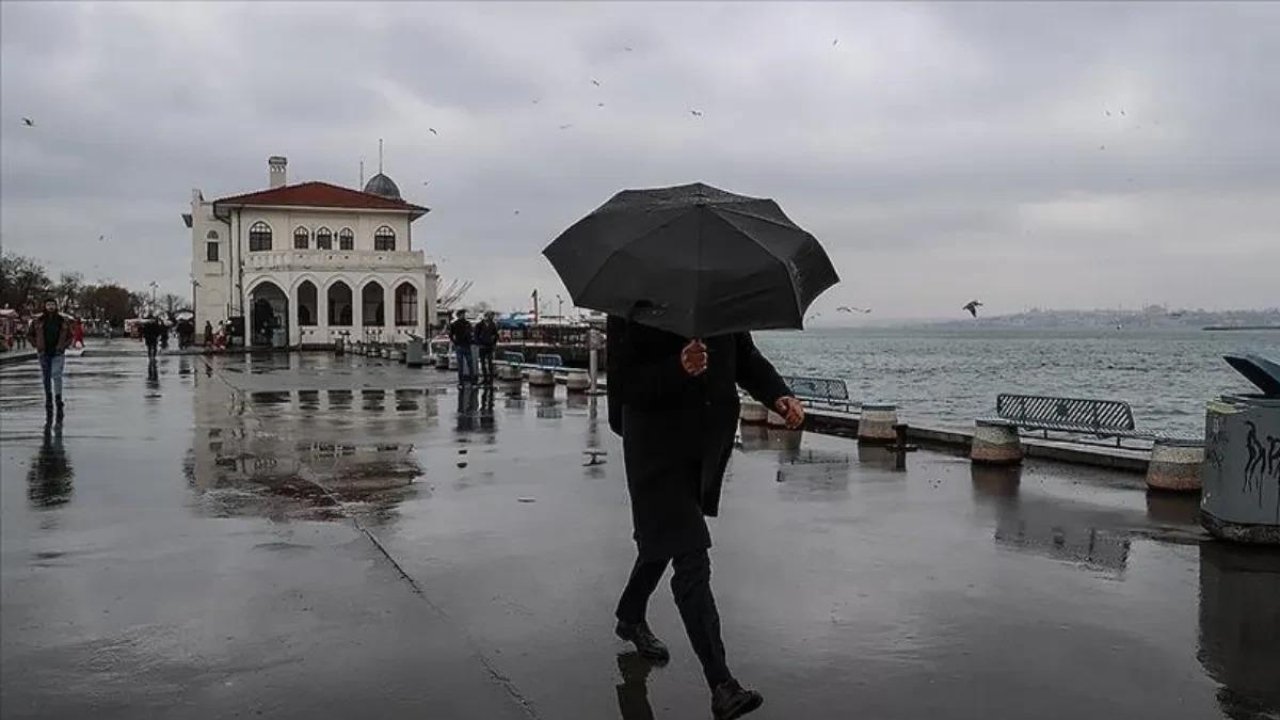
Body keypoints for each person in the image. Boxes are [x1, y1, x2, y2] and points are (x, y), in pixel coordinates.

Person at [606, 310, 804, 720]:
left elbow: (744, 355)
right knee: (691, 554)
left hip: (701, 451)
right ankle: (722, 685)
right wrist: (678, 367)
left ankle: (629, 616)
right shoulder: (632, 301)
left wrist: (777, 395)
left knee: (664, 541)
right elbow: (625, 386)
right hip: (655, 450)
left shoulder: (719, 293)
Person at [27, 298, 74, 426]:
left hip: (58, 352)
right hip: (44, 352)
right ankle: (49, 398)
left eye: (53, 304)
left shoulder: (62, 321)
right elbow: (30, 334)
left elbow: (70, 336)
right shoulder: (38, 321)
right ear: (45, 306)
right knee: (46, 376)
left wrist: (63, 346)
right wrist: (37, 345)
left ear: (56, 306)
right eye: (48, 304)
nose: (50, 307)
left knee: (56, 374)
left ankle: (58, 398)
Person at [447, 309, 476, 384]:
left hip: (464, 345)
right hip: (461, 345)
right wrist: (455, 342)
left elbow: (471, 333)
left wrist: (455, 341)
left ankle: (470, 380)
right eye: (462, 314)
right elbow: (450, 334)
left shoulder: (466, 323)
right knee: (462, 364)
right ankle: (462, 381)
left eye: (464, 314)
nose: (463, 315)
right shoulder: (456, 324)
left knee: (468, 363)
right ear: (459, 315)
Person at [474, 311, 499, 385]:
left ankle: (490, 379)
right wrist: (478, 343)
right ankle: (485, 378)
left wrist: (494, 342)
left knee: (490, 362)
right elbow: (476, 335)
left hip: (489, 345)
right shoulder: (479, 325)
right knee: (483, 363)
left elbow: (496, 335)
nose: (492, 318)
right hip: (482, 346)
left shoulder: (493, 325)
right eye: (491, 316)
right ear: (486, 316)